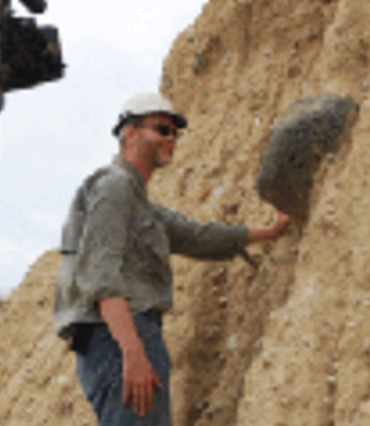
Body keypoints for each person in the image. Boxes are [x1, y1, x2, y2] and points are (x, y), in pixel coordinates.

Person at [53, 93, 290, 426]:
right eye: (162, 129)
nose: (171, 139)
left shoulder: (139, 204)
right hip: (120, 337)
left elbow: (196, 237)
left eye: (174, 134)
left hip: (118, 339)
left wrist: (266, 232)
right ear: (129, 133)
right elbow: (100, 277)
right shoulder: (114, 187)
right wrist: (132, 353)